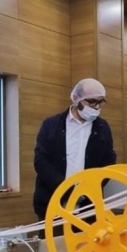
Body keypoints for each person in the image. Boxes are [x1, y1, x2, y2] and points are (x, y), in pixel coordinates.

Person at [33, 78, 117, 234]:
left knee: (85, 246)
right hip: (52, 201)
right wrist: (66, 188)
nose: (96, 107)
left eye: (100, 102)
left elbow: (108, 161)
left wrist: (88, 188)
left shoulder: (102, 127)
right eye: (91, 102)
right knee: (53, 245)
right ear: (76, 99)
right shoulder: (51, 125)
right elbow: (41, 161)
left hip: (88, 205)